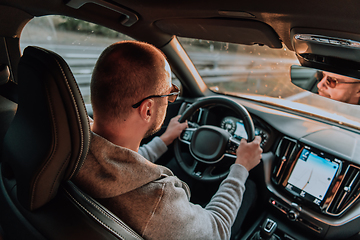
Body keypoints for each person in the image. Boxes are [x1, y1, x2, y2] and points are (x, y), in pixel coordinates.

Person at [73, 40, 262, 240]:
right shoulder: (158, 198)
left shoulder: (71, 140)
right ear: (147, 110)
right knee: (250, 191)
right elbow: (217, 230)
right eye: (169, 93)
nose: (170, 99)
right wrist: (240, 168)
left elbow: (121, 161)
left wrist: (163, 140)